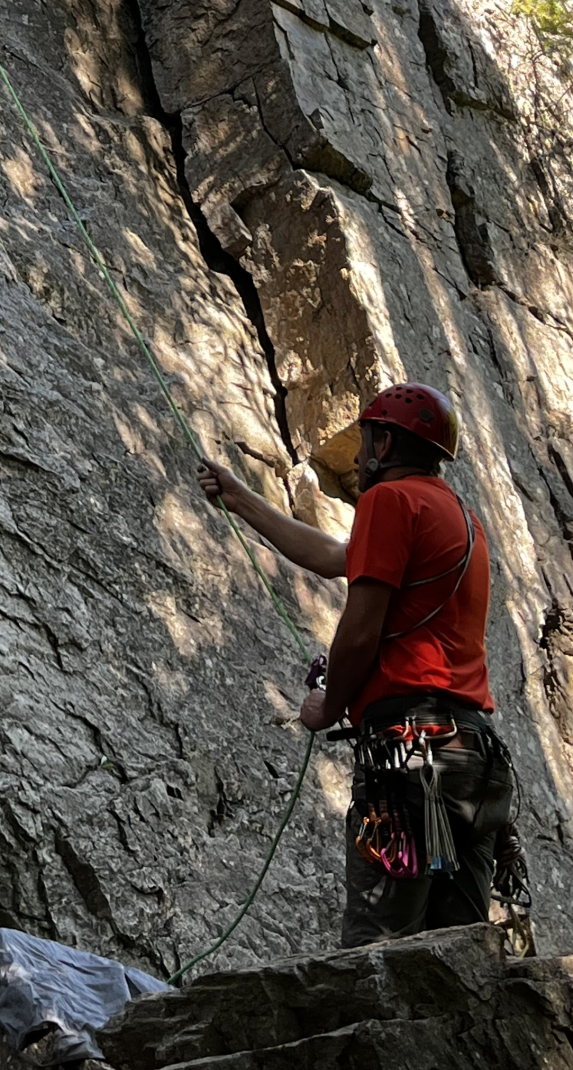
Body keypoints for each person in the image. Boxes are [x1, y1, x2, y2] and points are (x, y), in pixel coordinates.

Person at [197, 383, 517, 945]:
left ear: (385, 444)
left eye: (363, 439)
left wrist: (329, 705)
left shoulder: (390, 502)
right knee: (458, 951)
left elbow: (361, 629)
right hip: (471, 761)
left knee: (378, 948)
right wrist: (239, 498)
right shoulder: (458, 517)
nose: (359, 453)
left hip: (409, 760)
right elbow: (330, 556)